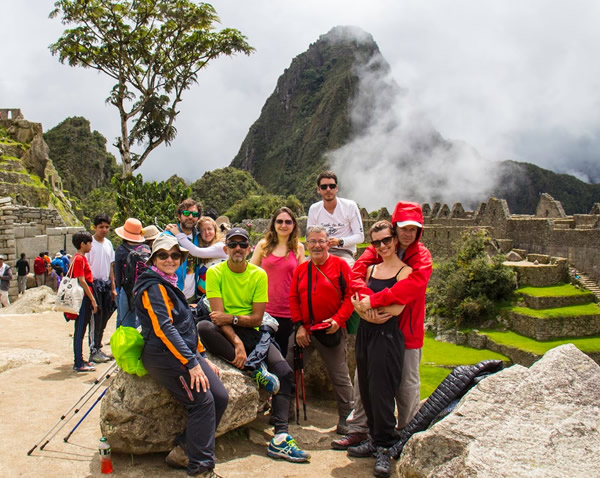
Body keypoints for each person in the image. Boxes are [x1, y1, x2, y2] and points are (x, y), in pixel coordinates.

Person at [198, 227, 310, 463]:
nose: (238, 248)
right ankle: (254, 369)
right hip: (225, 331)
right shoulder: (215, 273)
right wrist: (236, 341)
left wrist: (233, 320)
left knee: (284, 371)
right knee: (204, 328)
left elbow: (257, 319)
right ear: (226, 248)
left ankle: (281, 436)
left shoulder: (258, 274)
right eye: (233, 244)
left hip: (253, 330)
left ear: (249, 249)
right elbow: (216, 317)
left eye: (242, 244)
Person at [333, 202, 432, 459]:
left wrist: (373, 303)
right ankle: (360, 430)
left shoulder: (421, 258)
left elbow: (410, 289)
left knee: (406, 387)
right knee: (365, 382)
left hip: (406, 332)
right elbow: (356, 274)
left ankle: (406, 436)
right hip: (376, 331)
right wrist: (366, 305)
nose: (407, 234)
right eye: (403, 228)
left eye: (414, 229)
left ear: (420, 231)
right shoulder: (382, 249)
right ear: (394, 228)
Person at [134, 234, 227, 477]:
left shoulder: (169, 282)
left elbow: (186, 322)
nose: (170, 259)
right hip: (164, 355)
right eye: (163, 255)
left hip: (183, 352)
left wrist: (200, 356)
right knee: (202, 402)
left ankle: (184, 449)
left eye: (175, 255)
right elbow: (164, 328)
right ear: (154, 259)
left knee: (219, 396)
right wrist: (190, 363)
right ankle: (200, 466)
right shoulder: (153, 286)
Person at [351, 221, 411, 477]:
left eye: (387, 240)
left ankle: (387, 445)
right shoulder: (371, 269)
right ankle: (375, 439)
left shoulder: (404, 272)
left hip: (387, 336)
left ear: (395, 240)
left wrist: (366, 310)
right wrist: (366, 312)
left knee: (382, 389)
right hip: (366, 333)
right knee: (366, 386)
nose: (383, 246)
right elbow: (356, 301)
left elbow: (397, 308)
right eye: (377, 242)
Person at [289, 225, 355, 434]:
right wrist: (299, 326)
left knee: (340, 376)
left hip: (330, 330)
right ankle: (285, 409)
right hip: (306, 331)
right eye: (312, 242)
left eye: (321, 241)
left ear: (328, 243)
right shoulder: (301, 269)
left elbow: (350, 296)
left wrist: (338, 320)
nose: (317, 245)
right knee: (289, 369)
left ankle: (347, 416)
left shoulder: (340, 266)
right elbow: (294, 298)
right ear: (306, 245)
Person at [250, 207, 305, 354]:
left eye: (288, 222)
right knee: (262, 350)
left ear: (294, 225)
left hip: (287, 310)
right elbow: (250, 273)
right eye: (279, 221)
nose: (283, 225)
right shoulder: (263, 246)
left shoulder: (298, 248)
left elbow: (302, 280)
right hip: (264, 309)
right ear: (274, 224)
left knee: (281, 352)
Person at [307, 170, 364, 267]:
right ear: (319, 189)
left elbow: (360, 236)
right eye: (324, 187)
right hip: (320, 251)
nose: (328, 189)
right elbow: (308, 236)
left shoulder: (349, 206)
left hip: (344, 252)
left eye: (332, 186)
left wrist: (340, 241)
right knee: (303, 269)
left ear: (336, 188)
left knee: (344, 270)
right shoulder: (314, 209)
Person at [166, 215, 227, 296]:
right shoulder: (202, 246)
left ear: (215, 230)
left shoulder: (221, 246)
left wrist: (177, 233)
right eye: (203, 230)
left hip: (220, 294)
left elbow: (196, 251)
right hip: (203, 297)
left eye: (209, 229)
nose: (207, 233)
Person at [85, 214, 116, 364]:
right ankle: (93, 350)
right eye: (101, 227)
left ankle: (98, 346)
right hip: (94, 285)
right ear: (94, 227)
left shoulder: (108, 244)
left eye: (106, 227)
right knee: (95, 319)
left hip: (106, 286)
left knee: (104, 319)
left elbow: (111, 266)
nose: (104, 230)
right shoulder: (90, 245)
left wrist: (113, 287)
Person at [70, 231, 99, 372]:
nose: (91, 246)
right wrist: (92, 299)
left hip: (84, 297)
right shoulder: (79, 259)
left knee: (81, 329)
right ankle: (78, 362)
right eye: (89, 243)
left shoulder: (77, 258)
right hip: (83, 298)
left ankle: (80, 359)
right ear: (83, 244)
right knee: (80, 329)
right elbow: (82, 280)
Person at [167, 198, 203, 301]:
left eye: (195, 215)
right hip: (172, 295)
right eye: (186, 213)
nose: (191, 217)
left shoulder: (199, 237)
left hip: (191, 296)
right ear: (179, 216)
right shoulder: (168, 237)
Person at [114, 218, 146, 328]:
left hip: (127, 291)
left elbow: (117, 274)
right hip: (143, 290)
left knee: (124, 322)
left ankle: (122, 344)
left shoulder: (121, 250)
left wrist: (118, 289)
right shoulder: (145, 249)